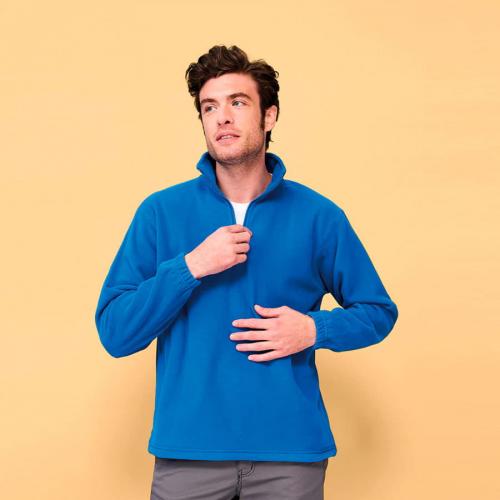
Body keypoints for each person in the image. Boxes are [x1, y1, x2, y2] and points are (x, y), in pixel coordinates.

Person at [94, 44, 399, 500]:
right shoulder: (160, 212)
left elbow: (378, 311)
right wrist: (190, 267)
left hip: (290, 454)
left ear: (268, 116)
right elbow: (116, 332)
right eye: (209, 107)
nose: (222, 118)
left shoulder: (319, 216)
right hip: (188, 454)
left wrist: (314, 329)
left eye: (238, 103)